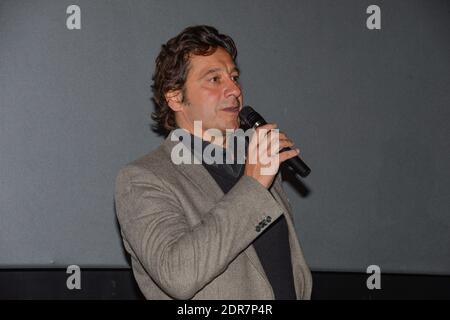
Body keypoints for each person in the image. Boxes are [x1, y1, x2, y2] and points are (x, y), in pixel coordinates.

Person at [114, 25, 312, 300]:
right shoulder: (143, 178)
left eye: (234, 77)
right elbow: (178, 275)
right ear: (175, 97)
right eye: (214, 79)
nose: (234, 89)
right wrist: (253, 184)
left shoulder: (257, 167)